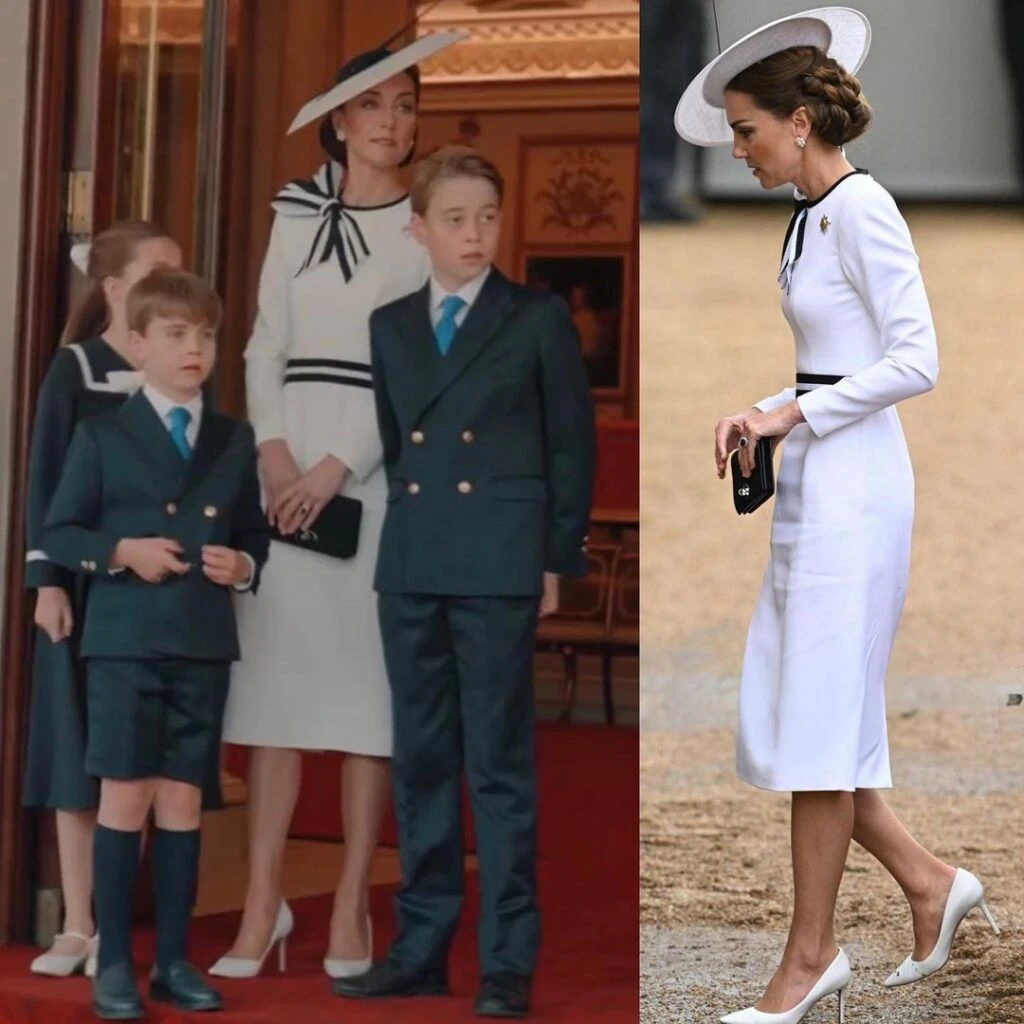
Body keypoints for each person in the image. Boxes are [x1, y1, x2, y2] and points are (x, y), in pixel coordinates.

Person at [676, 9, 998, 1023]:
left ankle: (809, 957)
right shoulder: (806, 214)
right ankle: (929, 883)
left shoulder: (863, 209)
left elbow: (915, 359)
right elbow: (835, 357)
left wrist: (791, 410)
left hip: (858, 491)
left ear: (801, 120)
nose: (736, 148)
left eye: (744, 129)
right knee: (807, 722)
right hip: (818, 479)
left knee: (816, 730)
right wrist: (768, 408)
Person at [210, 31, 463, 981]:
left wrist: (333, 467)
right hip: (279, 480)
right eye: (375, 105)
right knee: (272, 701)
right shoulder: (291, 214)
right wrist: (273, 455)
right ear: (339, 118)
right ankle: (262, 906)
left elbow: (420, 373)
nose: (393, 123)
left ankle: (354, 902)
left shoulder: (427, 224)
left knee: (365, 710)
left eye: (406, 105)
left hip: (375, 480)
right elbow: (261, 343)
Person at [333, 146, 595, 1019]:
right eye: (454, 218)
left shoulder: (536, 318)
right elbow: (398, 441)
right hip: (412, 559)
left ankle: (506, 961)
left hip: (497, 558)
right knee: (421, 762)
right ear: (419, 229)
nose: (474, 234)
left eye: (486, 216)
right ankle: (418, 948)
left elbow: (569, 446)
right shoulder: (390, 325)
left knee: (499, 768)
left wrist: (556, 557)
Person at [41, 268, 269, 1020]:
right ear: (137, 345)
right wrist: (120, 552)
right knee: (125, 794)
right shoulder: (102, 433)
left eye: (205, 334)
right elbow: (62, 529)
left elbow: (250, 539)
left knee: (181, 801)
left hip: (202, 642)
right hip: (125, 641)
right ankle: (114, 963)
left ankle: (173, 961)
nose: (194, 348)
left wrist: (244, 566)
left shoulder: (236, 441)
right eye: (176, 334)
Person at [21, 221, 198, 980]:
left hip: (158, 593)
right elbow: (45, 482)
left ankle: (127, 930)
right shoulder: (74, 370)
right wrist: (47, 583)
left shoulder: (185, 367)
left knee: (146, 761)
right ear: (115, 289)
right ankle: (79, 923)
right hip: (85, 586)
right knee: (77, 749)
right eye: (159, 273)